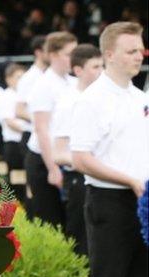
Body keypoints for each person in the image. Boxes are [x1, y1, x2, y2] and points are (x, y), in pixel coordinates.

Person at [71, 22, 149, 277]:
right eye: (131, 51)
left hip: (141, 200)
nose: (139, 56)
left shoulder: (139, 97)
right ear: (110, 55)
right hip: (110, 203)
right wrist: (129, 179)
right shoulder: (92, 100)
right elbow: (80, 158)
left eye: (140, 50)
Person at [51, 44, 102, 256]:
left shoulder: (103, 97)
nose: (100, 72)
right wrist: (87, 160)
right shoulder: (68, 102)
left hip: (104, 179)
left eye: (102, 66)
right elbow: (59, 152)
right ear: (78, 70)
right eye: (95, 67)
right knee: (82, 242)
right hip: (79, 178)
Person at [26, 31, 78, 228]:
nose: (74, 58)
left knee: (70, 220)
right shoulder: (43, 85)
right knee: (51, 220)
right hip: (44, 159)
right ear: (54, 55)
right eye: (69, 53)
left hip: (66, 156)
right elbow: (42, 129)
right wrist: (53, 168)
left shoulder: (72, 82)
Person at [0, 62, 28, 203]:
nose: (21, 81)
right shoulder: (6, 95)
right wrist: (29, 130)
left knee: (27, 180)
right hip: (14, 143)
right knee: (17, 179)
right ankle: (18, 208)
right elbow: (9, 121)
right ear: (8, 79)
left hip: (26, 141)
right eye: (18, 77)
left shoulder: (25, 95)